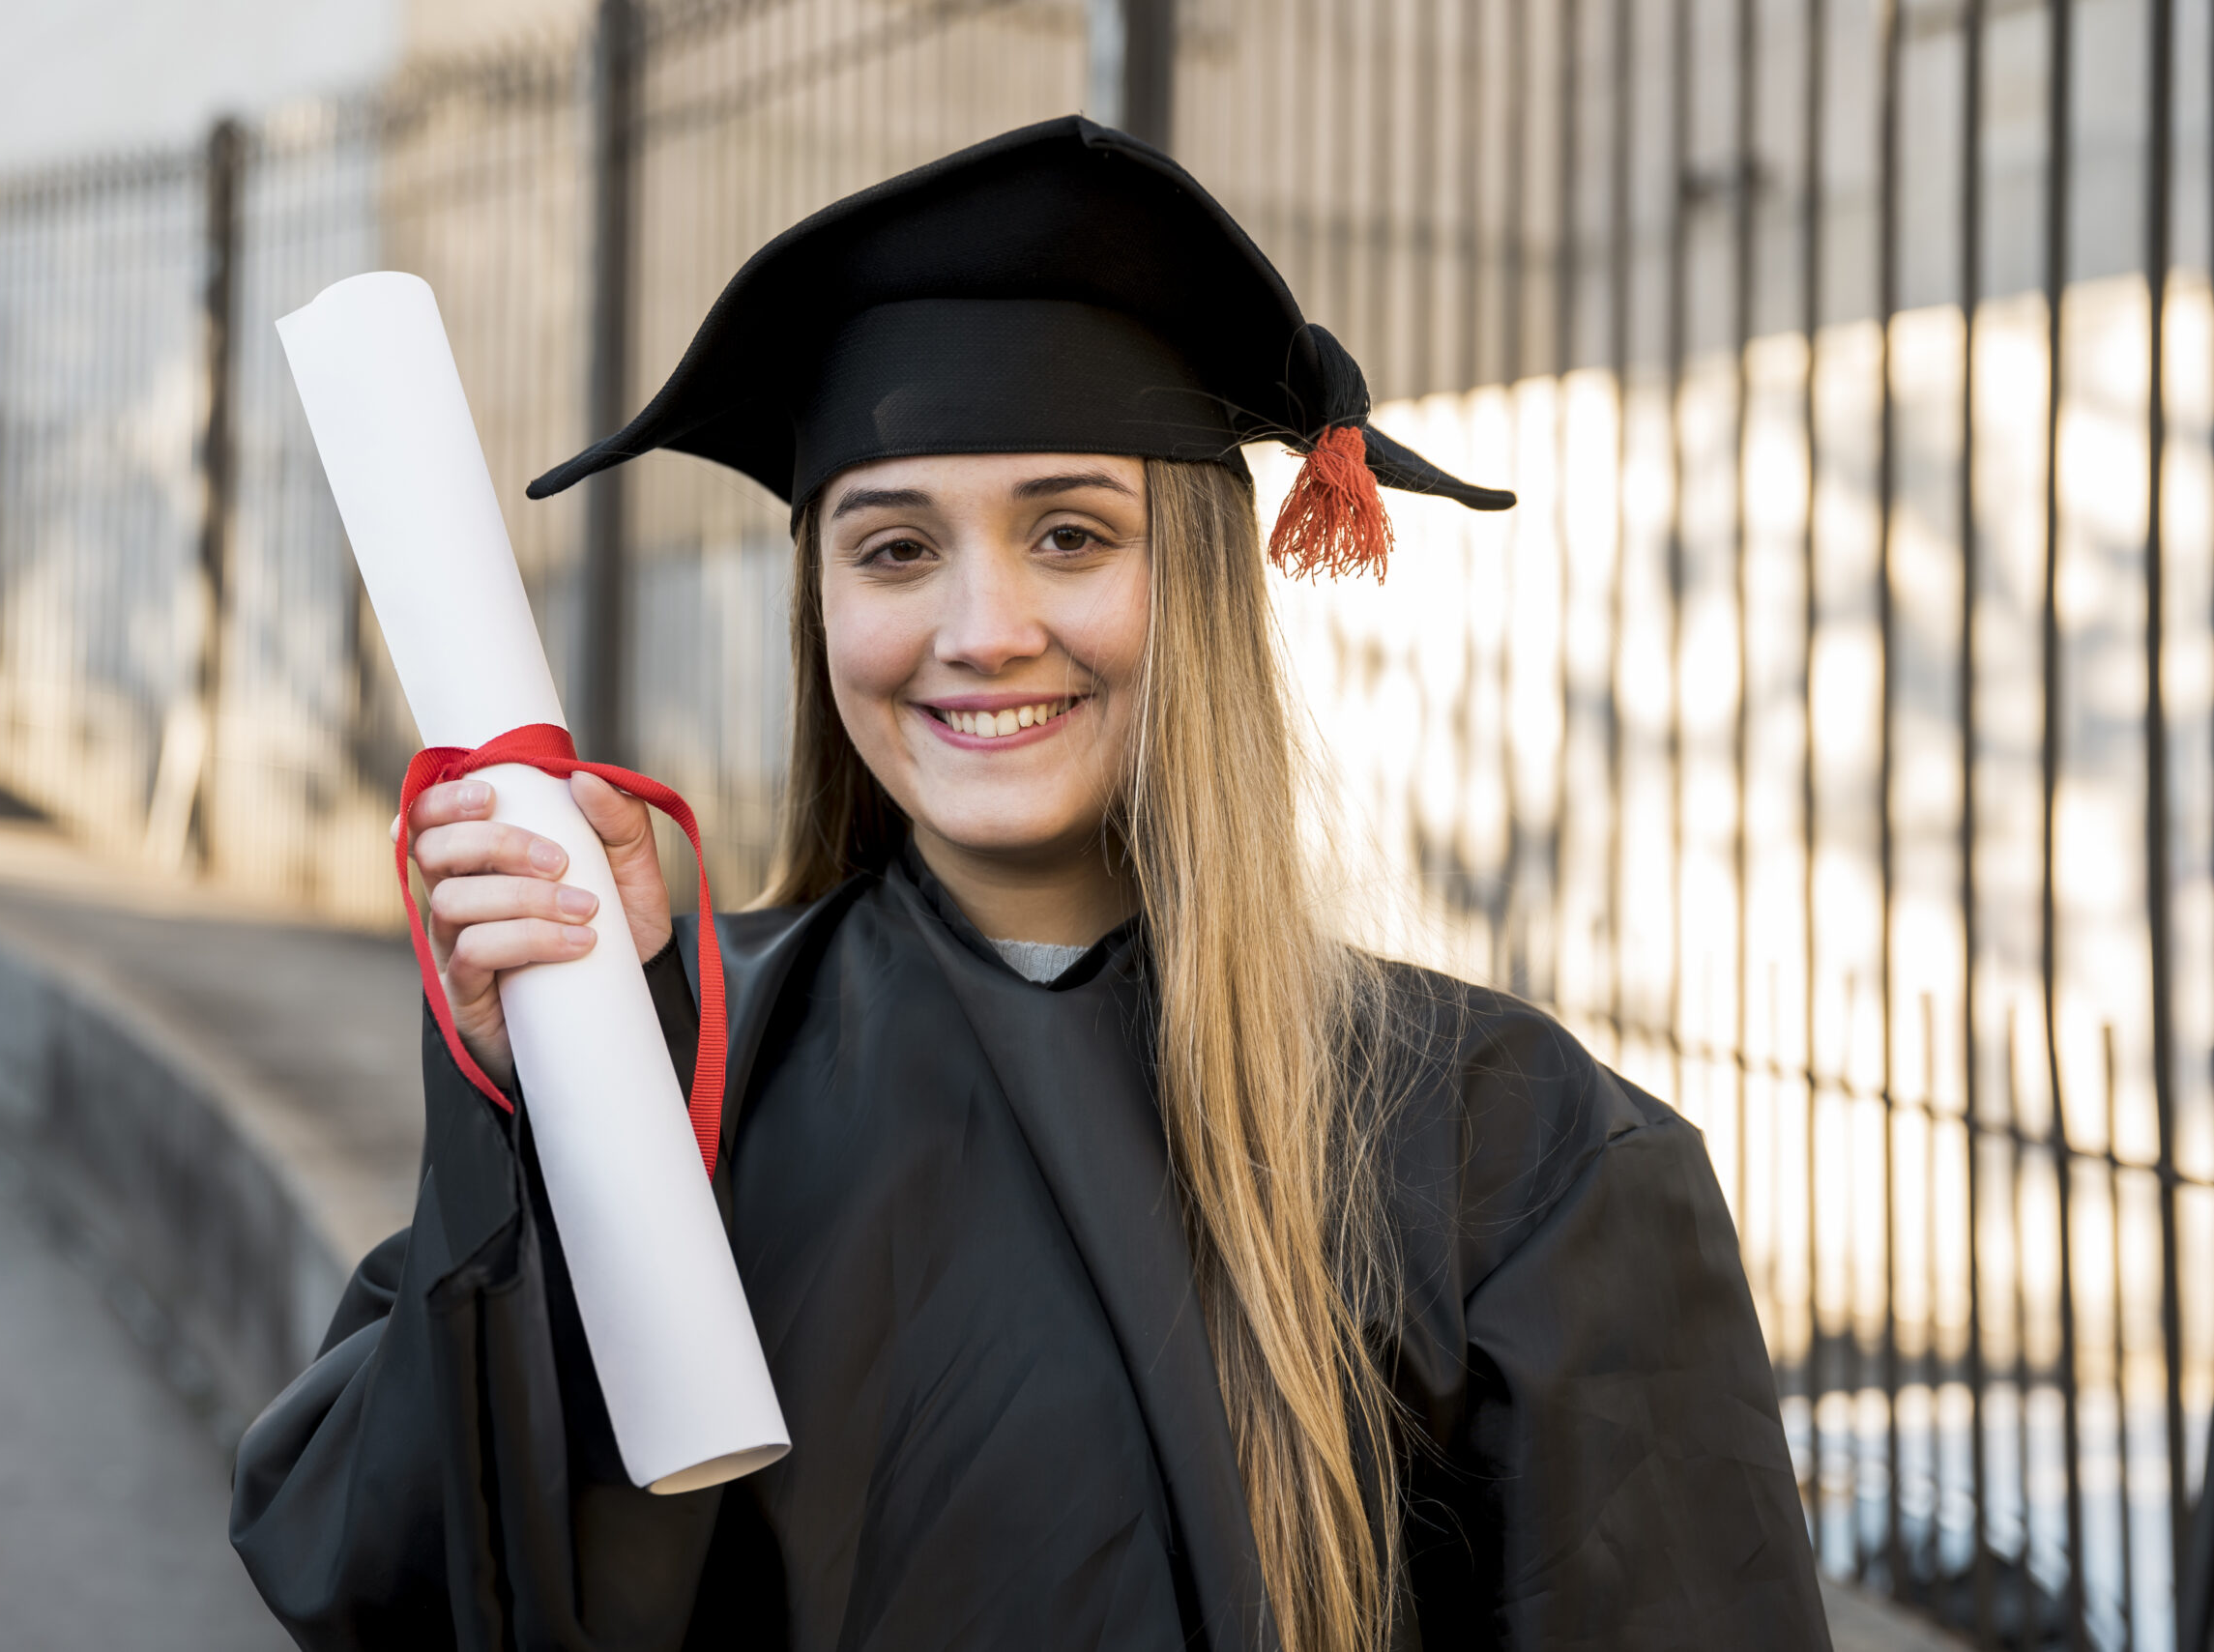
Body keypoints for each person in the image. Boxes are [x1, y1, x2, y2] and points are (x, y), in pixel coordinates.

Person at [229, 118, 1827, 1652]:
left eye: (1070, 534)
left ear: (1194, 586)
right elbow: (403, 1582)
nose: (981, 626)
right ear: (822, 606)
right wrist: (564, 1121)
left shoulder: (1509, 1152)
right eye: (895, 548)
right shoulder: (684, 1074)